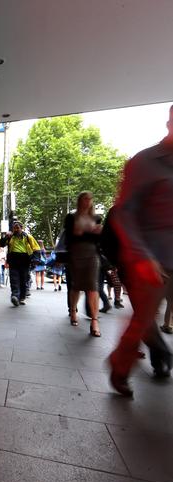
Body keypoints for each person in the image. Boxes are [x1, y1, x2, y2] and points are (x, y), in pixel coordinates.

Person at [108, 105, 173, 397]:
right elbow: (125, 213)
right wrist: (141, 255)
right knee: (142, 322)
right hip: (152, 259)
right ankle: (120, 367)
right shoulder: (145, 162)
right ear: (170, 122)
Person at [64, 191, 102, 336]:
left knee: (93, 287)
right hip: (76, 254)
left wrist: (90, 233)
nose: (87, 201)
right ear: (79, 201)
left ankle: (94, 321)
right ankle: (73, 311)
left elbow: (98, 238)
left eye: (90, 199)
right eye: (84, 199)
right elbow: (70, 236)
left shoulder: (97, 218)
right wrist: (89, 232)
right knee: (76, 286)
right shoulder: (71, 217)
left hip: (92, 254)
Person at [0, 221, 40, 307]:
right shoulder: (10, 237)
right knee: (14, 280)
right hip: (13, 261)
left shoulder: (28, 237)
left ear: (22, 228)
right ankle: (15, 296)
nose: (16, 230)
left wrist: (35, 260)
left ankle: (22, 298)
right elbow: (0, 244)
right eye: (14, 228)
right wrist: (6, 237)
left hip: (24, 261)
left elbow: (36, 248)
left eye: (18, 228)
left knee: (23, 280)